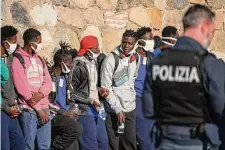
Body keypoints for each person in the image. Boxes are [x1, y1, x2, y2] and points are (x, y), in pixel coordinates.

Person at [143, 4, 225, 150]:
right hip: (200, 142)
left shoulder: (157, 62)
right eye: (212, 32)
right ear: (203, 28)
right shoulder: (210, 64)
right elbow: (221, 109)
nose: (212, 38)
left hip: (165, 141)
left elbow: (149, 109)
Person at [12, 28, 52, 150]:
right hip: (29, 109)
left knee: (44, 145)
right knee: (28, 145)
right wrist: (38, 109)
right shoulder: (17, 59)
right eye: (39, 42)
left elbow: (48, 82)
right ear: (31, 43)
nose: (40, 45)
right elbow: (22, 87)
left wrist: (40, 94)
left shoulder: (40, 59)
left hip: (45, 107)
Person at [101, 29, 140, 150]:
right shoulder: (111, 60)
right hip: (114, 111)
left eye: (130, 43)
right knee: (114, 144)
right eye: (124, 42)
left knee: (129, 143)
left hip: (129, 109)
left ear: (135, 44)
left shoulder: (136, 58)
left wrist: (132, 97)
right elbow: (105, 87)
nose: (127, 46)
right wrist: (117, 108)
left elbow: (133, 79)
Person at [69, 35, 108, 150]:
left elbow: (93, 85)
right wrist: (90, 100)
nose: (98, 50)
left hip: (98, 107)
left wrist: (100, 90)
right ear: (88, 50)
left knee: (103, 142)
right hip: (84, 108)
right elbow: (72, 93)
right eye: (96, 48)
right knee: (90, 144)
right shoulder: (77, 65)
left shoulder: (95, 62)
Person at [49, 41, 83, 150]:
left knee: (74, 146)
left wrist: (73, 109)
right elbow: (46, 102)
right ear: (62, 63)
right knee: (76, 128)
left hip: (66, 115)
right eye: (69, 63)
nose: (71, 65)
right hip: (55, 115)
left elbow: (70, 96)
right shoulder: (49, 77)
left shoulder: (66, 77)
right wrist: (64, 112)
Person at [1, 25, 26, 150]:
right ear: (5, 43)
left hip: (11, 109)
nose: (16, 45)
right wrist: (6, 108)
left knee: (19, 144)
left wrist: (15, 103)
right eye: (13, 42)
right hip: (2, 110)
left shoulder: (10, 58)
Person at [135, 27, 155, 150]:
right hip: (136, 98)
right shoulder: (132, 57)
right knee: (143, 135)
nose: (152, 40)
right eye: (150, 37)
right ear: (141, 41)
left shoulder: (152, 57)